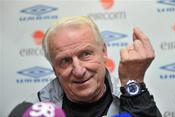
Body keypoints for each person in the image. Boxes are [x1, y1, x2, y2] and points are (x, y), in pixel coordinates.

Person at [19, 16, 162, 117]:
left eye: (86, 54)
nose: (79, 71)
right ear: (54, 68)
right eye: (65, 61)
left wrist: (134, 84)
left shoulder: (131, 96)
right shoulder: (32, 110)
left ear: (104, 52)